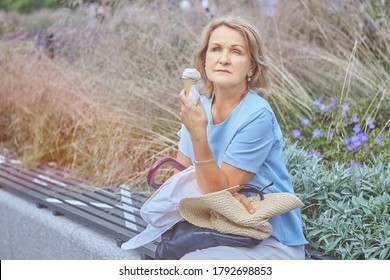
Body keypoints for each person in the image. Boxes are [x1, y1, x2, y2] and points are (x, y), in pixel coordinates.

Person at [175, 16, 308, 260]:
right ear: (204, 62)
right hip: (215, 229)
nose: (223, 59)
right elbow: (179, 180)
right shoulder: (197, 106)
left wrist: (198, 136)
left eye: (236, 51)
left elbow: (219, 192)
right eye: (216, 49)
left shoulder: (257, 115)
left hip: (267, 238)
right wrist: (226, 196)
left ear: (251, 68)